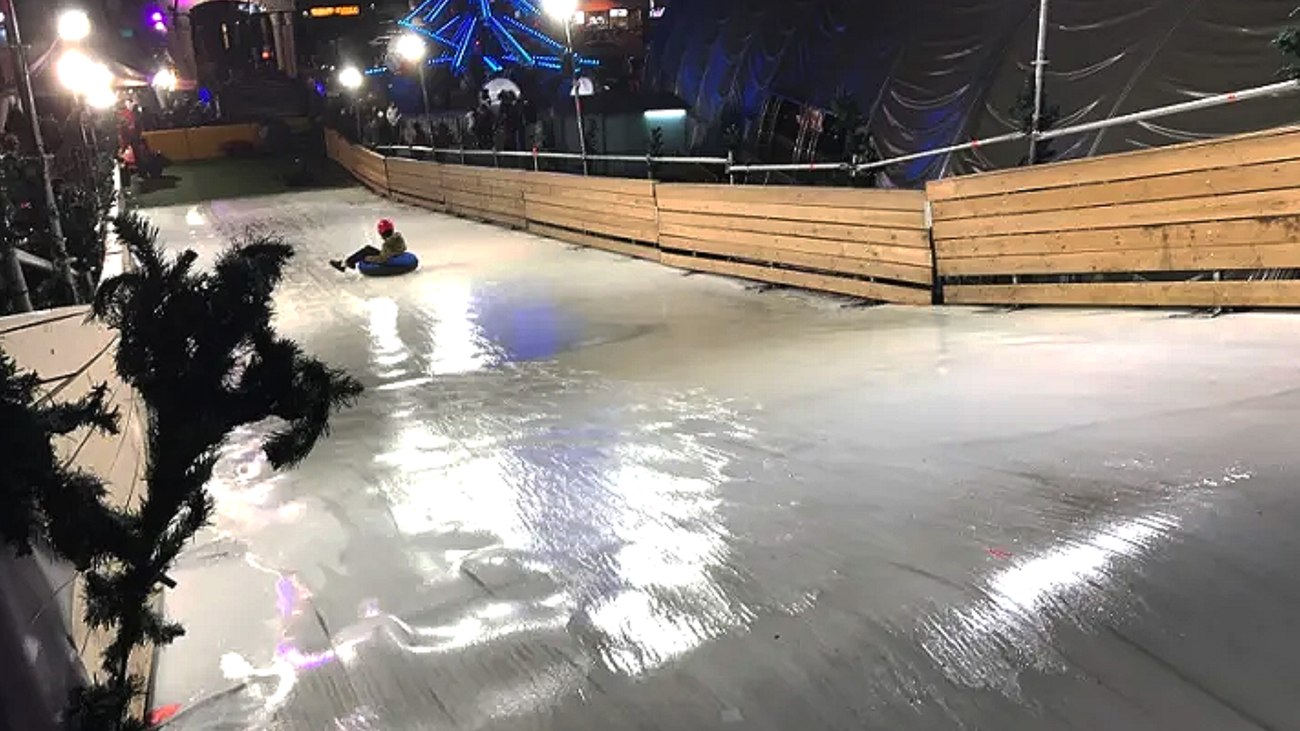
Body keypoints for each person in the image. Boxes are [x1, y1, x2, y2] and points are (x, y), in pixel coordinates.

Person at [331, 219, 407, 272]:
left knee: (364, 253)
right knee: (368, 248)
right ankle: (348, 262)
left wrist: (367, 258)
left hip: (390, 257)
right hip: (393, 254)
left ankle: (344, 264)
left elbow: (382, 259)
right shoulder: (397, 237)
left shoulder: (387, 244)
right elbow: (403, 247)